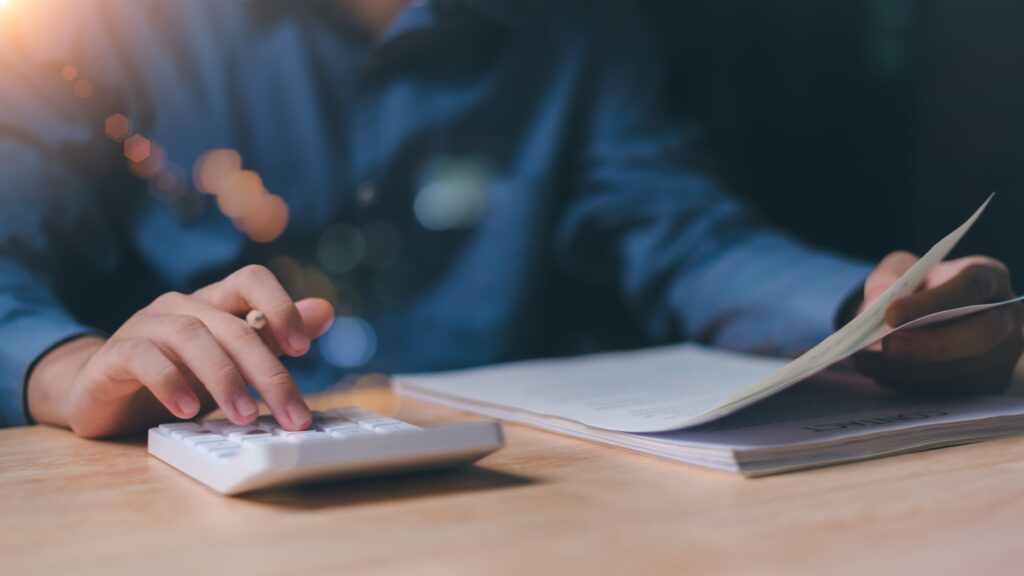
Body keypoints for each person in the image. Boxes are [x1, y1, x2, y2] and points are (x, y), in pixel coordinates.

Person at [0, 0, 1020, 438]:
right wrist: (66, 370)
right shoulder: (94, 25)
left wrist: (867, 305)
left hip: (495, 505)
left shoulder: (567, 30)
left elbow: (680, 234)